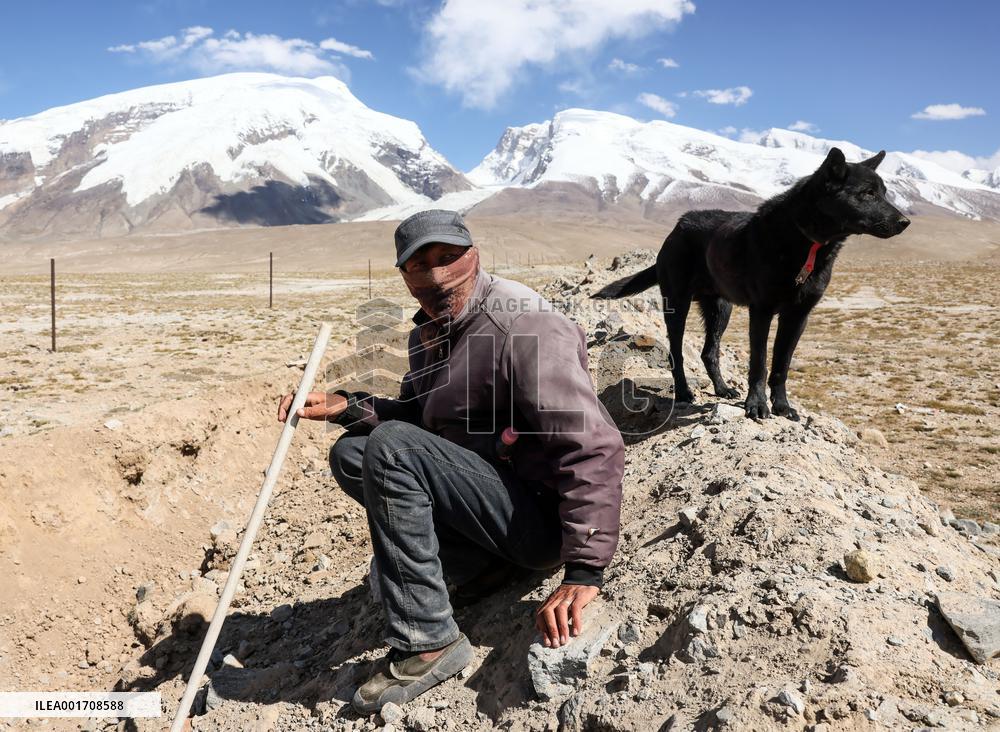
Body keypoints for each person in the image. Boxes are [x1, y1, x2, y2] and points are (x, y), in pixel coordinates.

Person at [277, 209, 625, 714]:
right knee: (353, 453)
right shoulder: (431, 334)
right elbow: (424, 419)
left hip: (541, 519)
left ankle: (429, 641)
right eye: (420, 265)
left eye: (448, 257)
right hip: (494, 503)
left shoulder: (524, 325)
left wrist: (585, 570)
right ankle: (480, 567)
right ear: (404, 276)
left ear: (474, 256)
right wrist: (348, 406)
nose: (437, 276)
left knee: (392, 447)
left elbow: (591, 444)